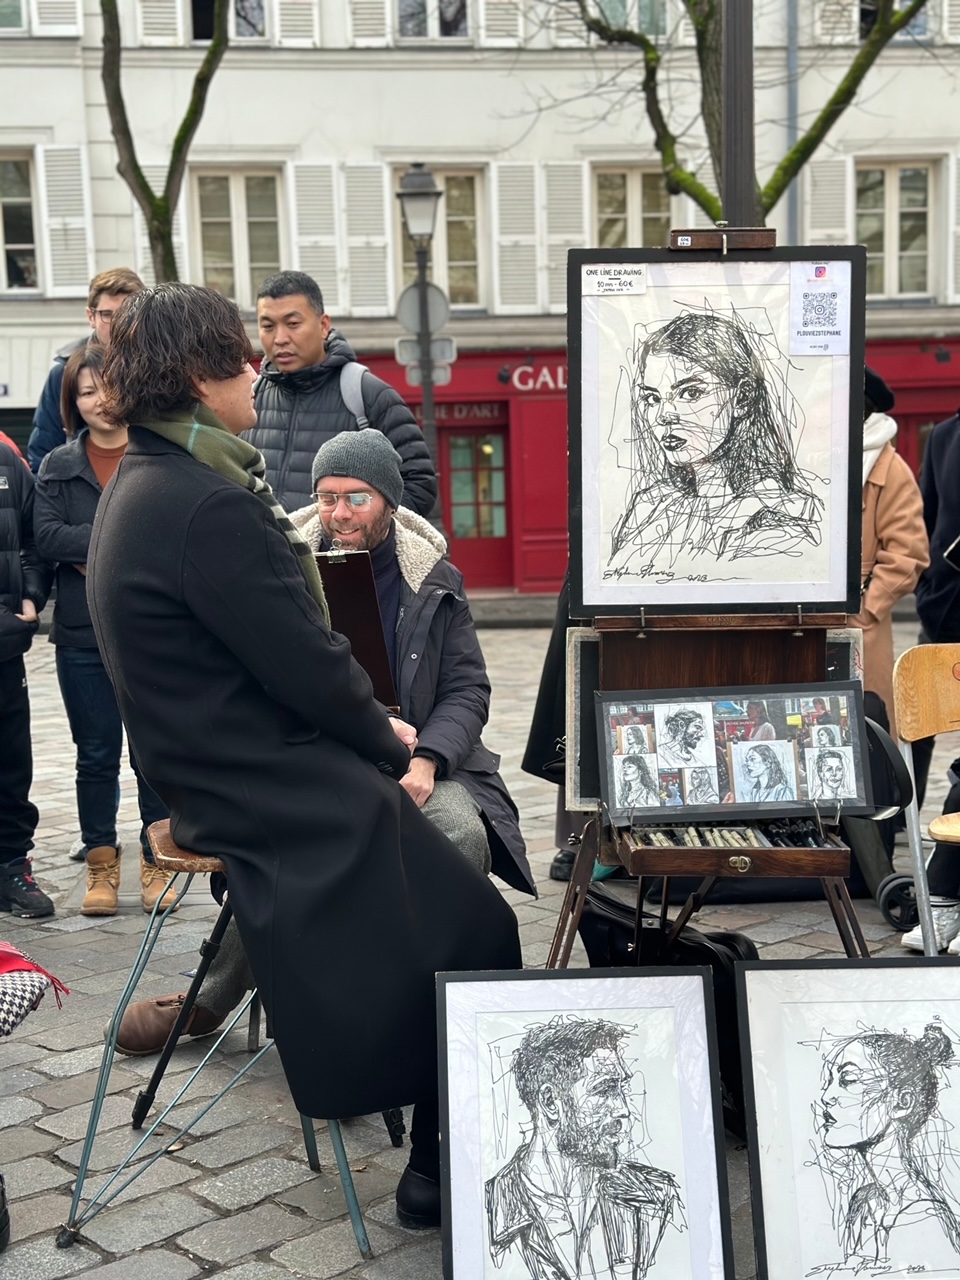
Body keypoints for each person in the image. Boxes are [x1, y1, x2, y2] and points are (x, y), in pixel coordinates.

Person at [86, 283, 521, 1229]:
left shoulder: (149, 481)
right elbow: (310, 666)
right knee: (479, 930)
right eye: (241, 356)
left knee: (437, 906)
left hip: (220, 773)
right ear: (201, 376)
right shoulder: (206, 502)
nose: (256, 371)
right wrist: (386, 734)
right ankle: (438, 1159)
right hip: (258, 786)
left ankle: (425, 1133)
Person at [115, 427, 534, 1055]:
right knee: (296, 837)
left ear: (389, 501)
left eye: (355, 498)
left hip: (420, 755)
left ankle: (439, 994)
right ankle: (215, 992)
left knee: (462, 833)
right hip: (320, 750)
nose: (338, 513)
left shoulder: (435, 577)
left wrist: (425, 761)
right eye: (327, 496)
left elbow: (467, 690)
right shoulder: (279, 559)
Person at [33, 345, 173, 916]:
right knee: (94, 755)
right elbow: (46, 537)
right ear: (73, 402)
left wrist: (95, 547)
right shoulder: (59, 466)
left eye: (108, 388)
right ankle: (101, 866)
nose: (99, 402)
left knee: (151, 753)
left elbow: (167, 530)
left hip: (147, 633)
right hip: (81, 635)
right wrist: (114, 541)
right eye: (86, 391)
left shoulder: (157, 457)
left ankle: (156, 861)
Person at [609, 310, 823, 572]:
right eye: (652, 398)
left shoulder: (777, 516)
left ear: (742, 397)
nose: (664, 415)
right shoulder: (649, 505)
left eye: (690, 393)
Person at [485, 1017, 682, 1279]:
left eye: (622, 1088)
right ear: (550, 1102)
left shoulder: (657, 1196)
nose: (622, 1109)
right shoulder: (491, 1210)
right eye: (604, 1090)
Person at [247, 270, 437, 514]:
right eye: (268, 326)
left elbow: (419, 485)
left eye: (293, 324)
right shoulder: (250, 397)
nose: (280, 338)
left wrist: (358, 533)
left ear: (324, 325)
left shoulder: (367, 395)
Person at [814, 1024, 960, 1267]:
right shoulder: (866, 1199)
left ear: (902, 1102)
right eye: (830, 1081)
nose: (826, 1096)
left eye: (848, 1080)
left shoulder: (921, 1219)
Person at [851, 368, 928, 743]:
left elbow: (907, 555)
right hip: (802, 626)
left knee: (868, 734)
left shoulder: (890, 468)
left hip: (860, 628)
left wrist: (865, 610)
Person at [0, 439, 54, 917]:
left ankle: (13, 866)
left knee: (12, 759)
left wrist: (31, 596)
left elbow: (34, 538)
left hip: (3, 639)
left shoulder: (6, 457)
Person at [27, 268, 144, 473]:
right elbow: (42, 453)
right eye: (108, 315)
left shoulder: (158, 369)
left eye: (127, 315)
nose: (117, 325)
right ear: (91, 316)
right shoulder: (65, 373)